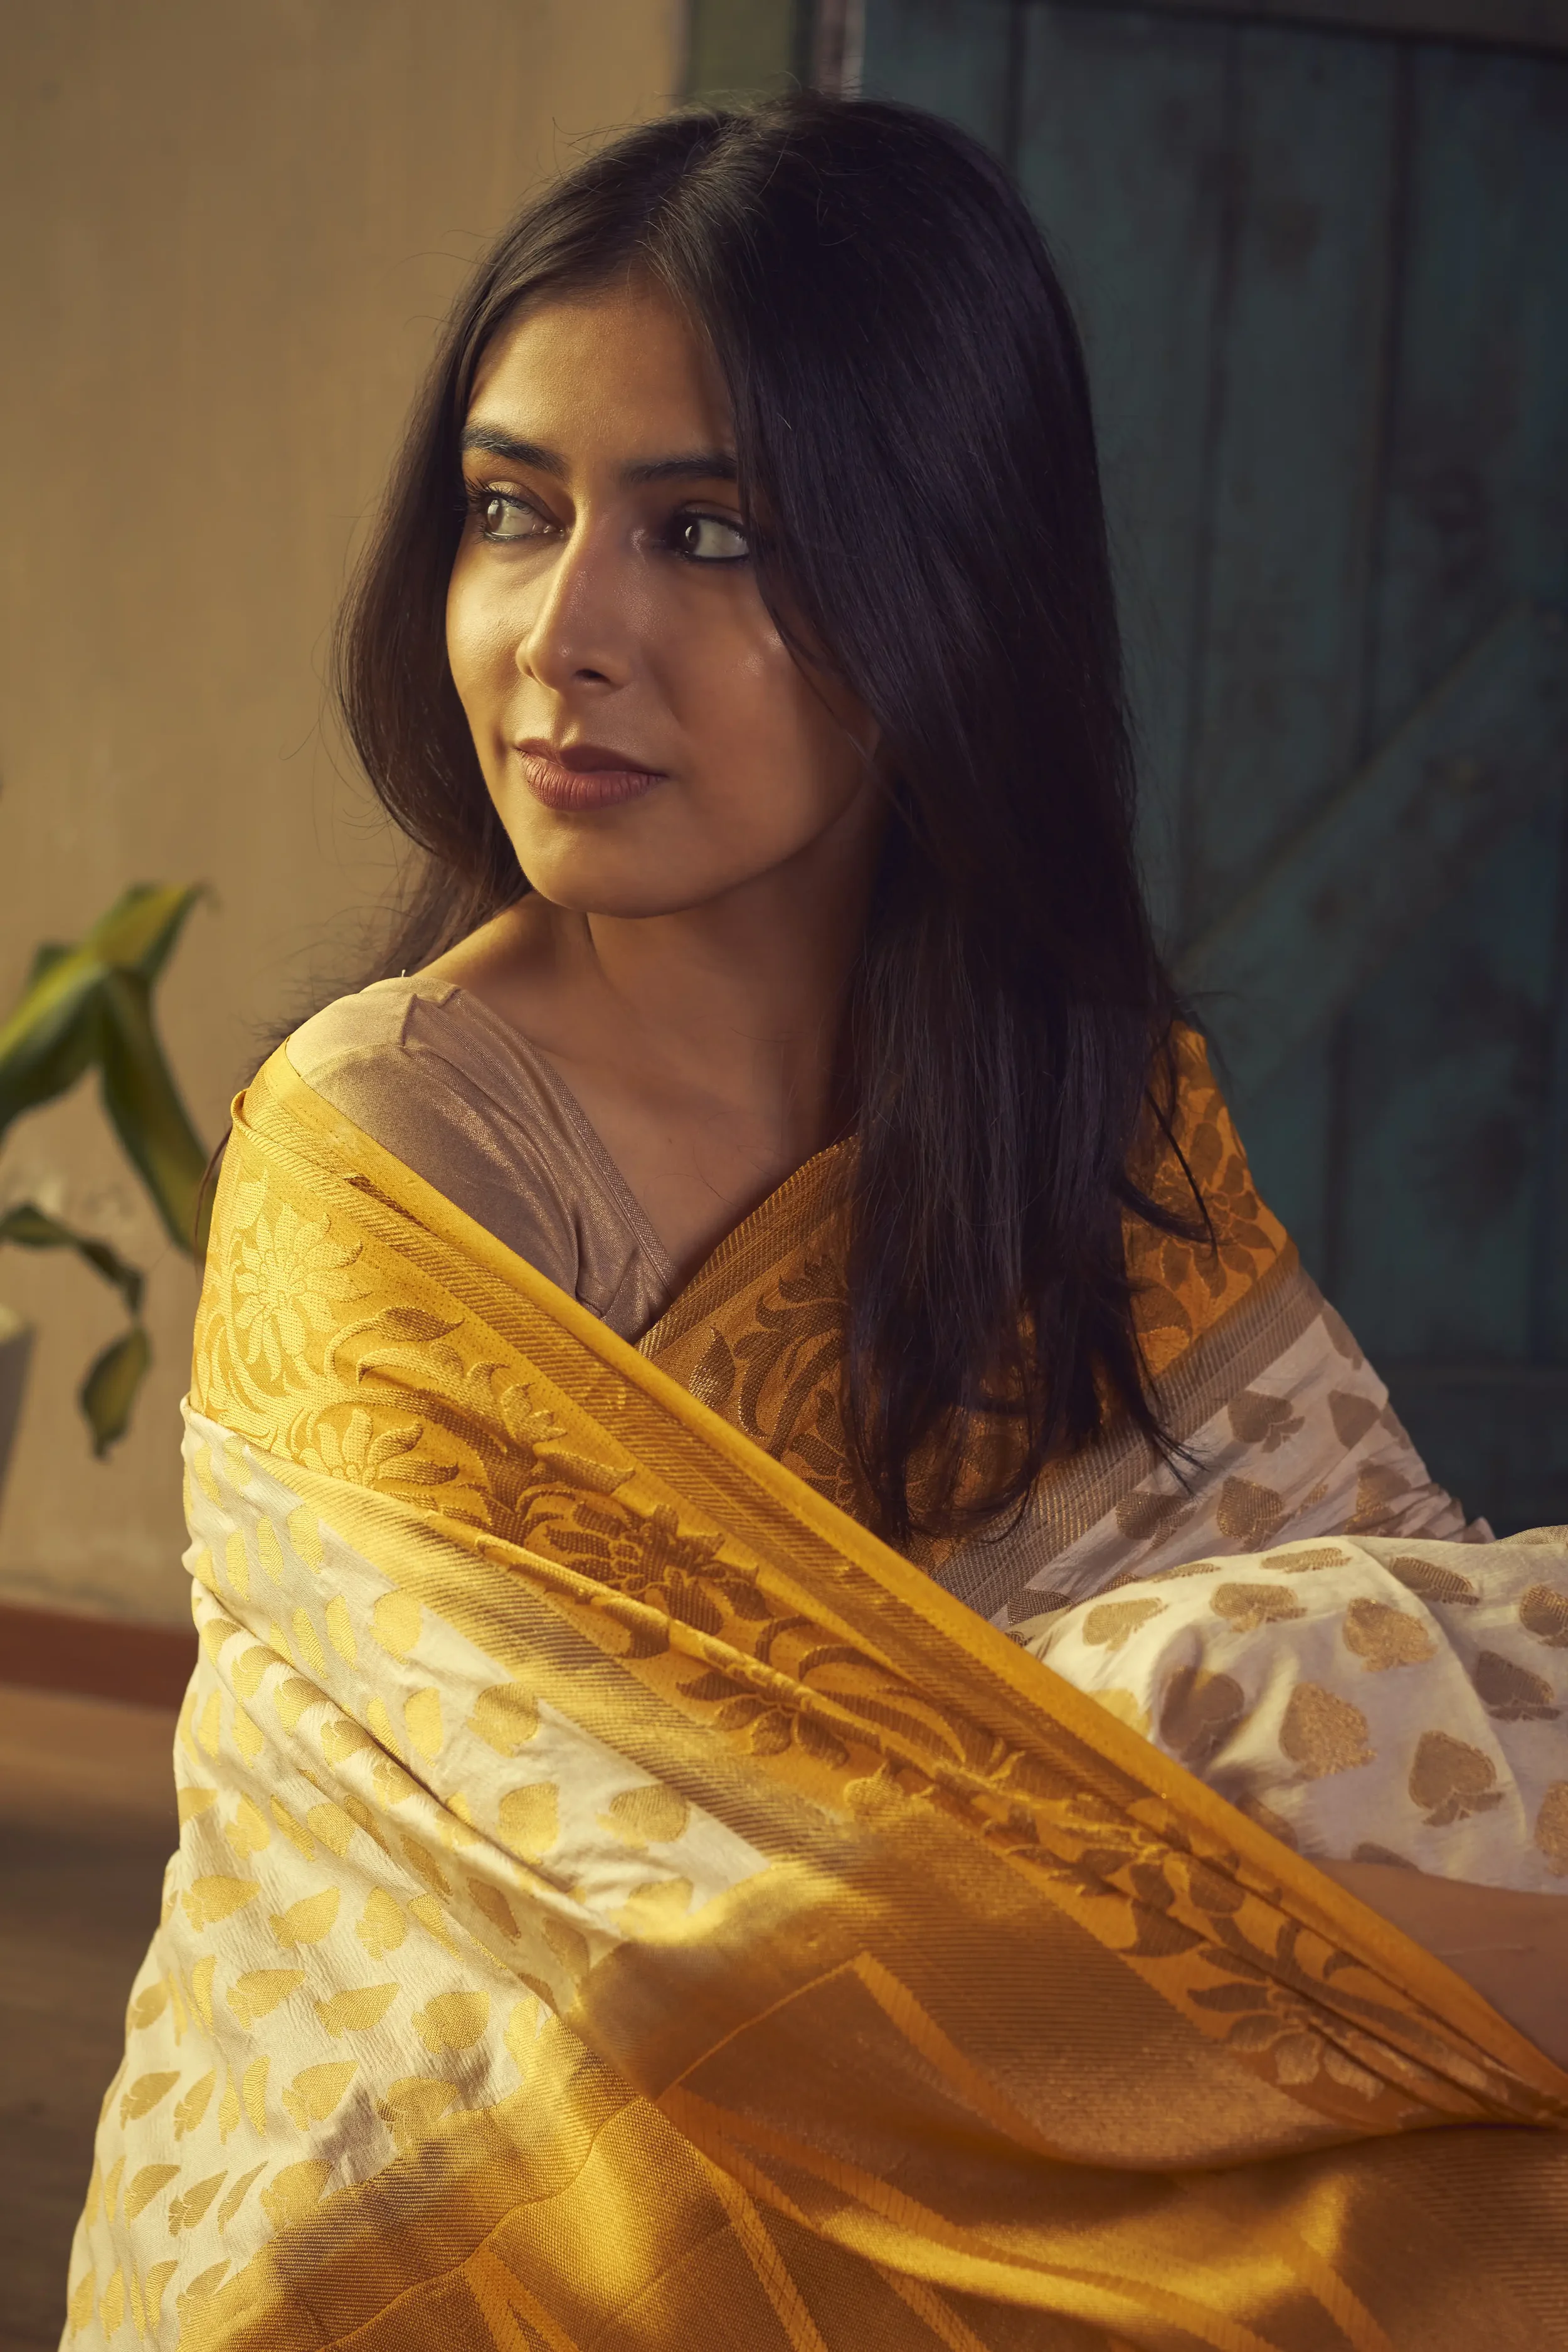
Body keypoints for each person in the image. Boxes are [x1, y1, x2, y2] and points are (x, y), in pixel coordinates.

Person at [66, 95, 1566, 2351]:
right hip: (501, 2153)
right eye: (511, 510)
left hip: (1066, 2040)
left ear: (947, 581)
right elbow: (675, 1909)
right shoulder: (385, 1148)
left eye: (714, 533)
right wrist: (1439, 1986)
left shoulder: (1082, 1086)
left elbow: (1405, 1641)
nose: (564, 634)